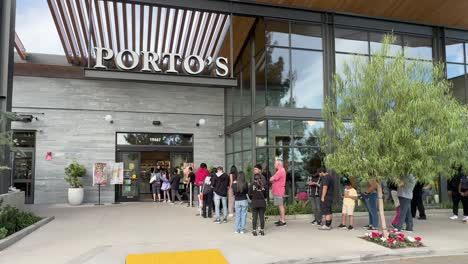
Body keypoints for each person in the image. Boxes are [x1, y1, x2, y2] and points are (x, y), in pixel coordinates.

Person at [270, 159, 287, 227]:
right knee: (279, 205)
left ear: (278, 164)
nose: (274, 165)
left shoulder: (280, 171)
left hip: (279, 191)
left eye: (275, 163)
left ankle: (283, 221)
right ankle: (281, 219)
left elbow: (272, 179)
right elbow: (273, 179)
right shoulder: (280, 171)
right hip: (277, 191)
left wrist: (272, 179)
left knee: (280, 205)